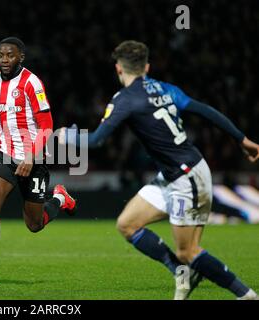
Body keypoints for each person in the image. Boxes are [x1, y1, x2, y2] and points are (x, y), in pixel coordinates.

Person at [59, 40, 259, 300]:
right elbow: (206, 111)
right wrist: (242, 139)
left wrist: (67, 136)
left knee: (189, 251)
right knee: (127, 224)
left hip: (187, 177)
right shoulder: (166, 88)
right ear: (147, 67)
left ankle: (245, 294)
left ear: (119, 69)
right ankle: (181, 274)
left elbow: (97, 140)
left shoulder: (125, 100)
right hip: (174, 174)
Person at [0, 37, 77, 288]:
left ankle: (60, 199)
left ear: (21, 56)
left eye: (10, 55)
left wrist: (31, 156)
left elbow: (47, 125)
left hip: (34, 159)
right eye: (0, 55)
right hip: (4, 155)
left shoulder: (32, 83)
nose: (4, 60)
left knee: (34, 224)